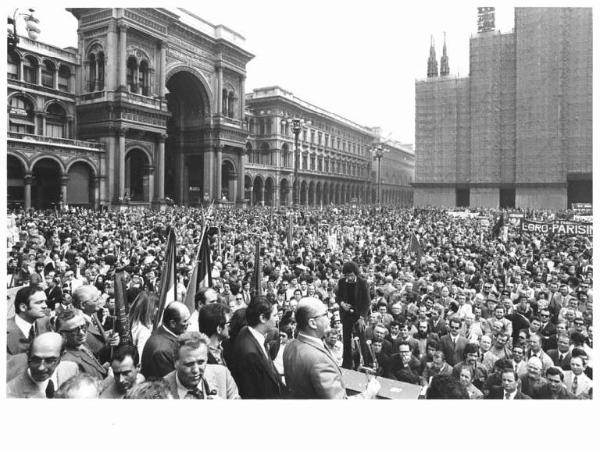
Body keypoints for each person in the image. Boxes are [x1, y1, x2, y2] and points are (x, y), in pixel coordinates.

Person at [283, 297, 380, 399]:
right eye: (325, 314)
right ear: (312, 323)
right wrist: (369, 392)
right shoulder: (319, 360)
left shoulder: (290, 345)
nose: (329, 318)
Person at [229, 296, 283, 399]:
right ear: (262, 318)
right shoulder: (250, 354)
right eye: (274, 315)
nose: (277, 318)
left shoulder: (247, 331)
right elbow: (253, 393)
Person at [163, 331, 239, 399]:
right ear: (175, 363)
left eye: (201, 362)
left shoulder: (223, 375)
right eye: (189, 364)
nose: (196, 370)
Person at [7, 332, 78, 398]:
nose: (41, 368)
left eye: (50, 360)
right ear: (28, 355)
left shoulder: (72, 369)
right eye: (36, 359)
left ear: (61, 356)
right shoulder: (9, 393)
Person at [141, 302, 190, 379]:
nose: (189, 323)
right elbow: (172, 381)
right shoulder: (163, 351)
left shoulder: (161, 333)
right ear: (173, 323)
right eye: (185, 321)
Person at [55, 309, 108, 380]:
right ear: (62, 334)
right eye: (74, 331)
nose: (82, 333)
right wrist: (110, 378)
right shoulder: (67, 362)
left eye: (83, 327)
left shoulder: (81, 344)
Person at [336, 261, 370, 369]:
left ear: (355, 273)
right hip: (346, 315)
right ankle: (347, 364)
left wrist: (361, 318)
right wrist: (342, 304)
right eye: (347, 275)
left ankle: (366, 363)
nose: (349, 278)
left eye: (351, 275)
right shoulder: (341, 282)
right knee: (346, 340)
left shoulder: (362, 282)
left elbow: (367, 302)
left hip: (359, 315)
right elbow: (338, 297)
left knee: (362, 339)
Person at [7, 285, 51, 355]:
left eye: (45, 301)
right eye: (39, 302)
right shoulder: (6, 330)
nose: (45, 306)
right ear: (23, 307)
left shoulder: (44, 321)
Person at [128, 291, 158, 358]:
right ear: (148, 309)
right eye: (155, 306)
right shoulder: (144, 332)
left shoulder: (131, 322)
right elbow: (142, 358)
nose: (157, 309)